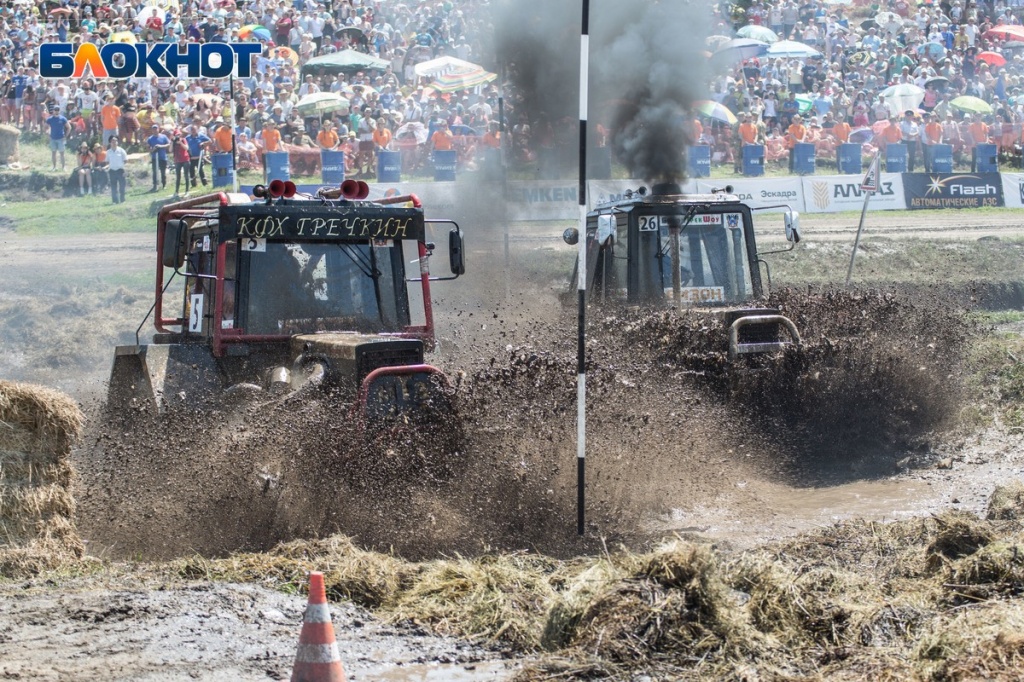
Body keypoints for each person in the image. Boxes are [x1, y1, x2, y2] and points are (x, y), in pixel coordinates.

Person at [46, 106, 71, 172]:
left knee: (62, 153)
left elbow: (69, 127)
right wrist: (48, 133)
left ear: (59, 111)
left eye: (58, 110)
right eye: (55, 110)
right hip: (53, 138)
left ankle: (63, 167)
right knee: (53, 153)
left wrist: (66, 136)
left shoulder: (63, 119)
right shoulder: (50, 119)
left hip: (61, 138)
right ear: (53, 111)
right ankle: (54, 167)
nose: (56, 111)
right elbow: (45, 127)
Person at [147, 123, 171, 192]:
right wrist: (153, 149)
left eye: (156, 129)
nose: (155, 130)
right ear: (152, 130)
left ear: (158, 129)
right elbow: (148, 148)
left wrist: (161, 146)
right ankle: (155, 185)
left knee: (163, 172)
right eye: (153, 129)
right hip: (155, 158)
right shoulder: (150, 138)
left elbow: (168, 144)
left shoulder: (163, 137)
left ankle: (164, 185)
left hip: (162, 157)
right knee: (155, 172)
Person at [107, 136, 128, 205]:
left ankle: (123, 200)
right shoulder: (108, 152)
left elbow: (125, 161)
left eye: (115, 141)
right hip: (112, 170)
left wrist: (125, 170)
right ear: (110, 142)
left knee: (122, 186)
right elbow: (107, 162)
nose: (114, 143)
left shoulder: (121, 151)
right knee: (113, 187)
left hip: (120, 170)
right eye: (112, 141)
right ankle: (115, 201)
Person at [172, 130, 191, 197]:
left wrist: (180, 143)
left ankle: (187, 191)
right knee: (178, 177)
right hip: (178, 160)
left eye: (179, 135)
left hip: (185, 159)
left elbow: (187, 148)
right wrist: (173, 142)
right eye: (177, 135)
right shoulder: (174, 142)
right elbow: (169, 150)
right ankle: (176, 192)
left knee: (186, 175)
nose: (178, 136)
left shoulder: (183, 140)